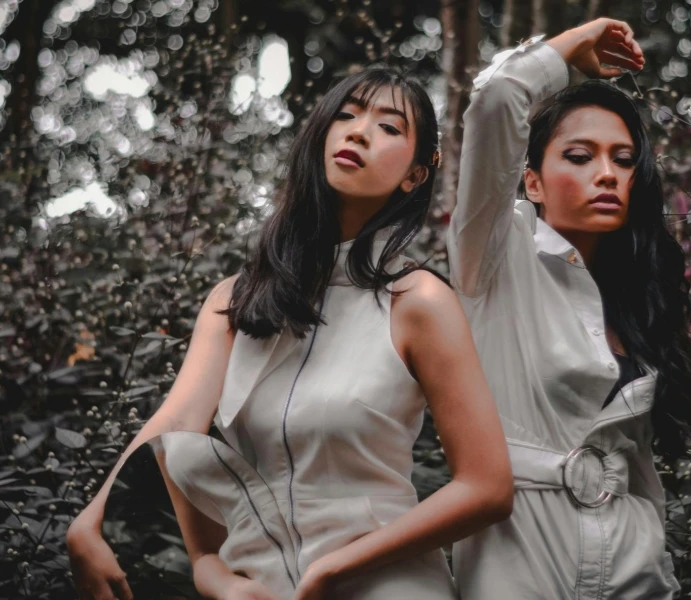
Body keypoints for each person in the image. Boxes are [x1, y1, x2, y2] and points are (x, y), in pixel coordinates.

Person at [67, 66, 514, 600]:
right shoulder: (234, 302)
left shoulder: (417, 301)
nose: (358, 131)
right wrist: (98, 524)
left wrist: (332, 569)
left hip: (388, 586)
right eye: (345, 116)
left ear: (414, 176)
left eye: (389, 127)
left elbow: (487, 487)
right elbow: (174, 433)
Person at [448, 18, 691, 599]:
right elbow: (496, 100)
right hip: (518, 562)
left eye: (623, 159)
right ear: (531, 182)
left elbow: (638, 469)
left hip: (636, 570)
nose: (607, 173)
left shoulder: (642, 294)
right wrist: (574, 47)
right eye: (581, 156)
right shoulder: (492, 259)